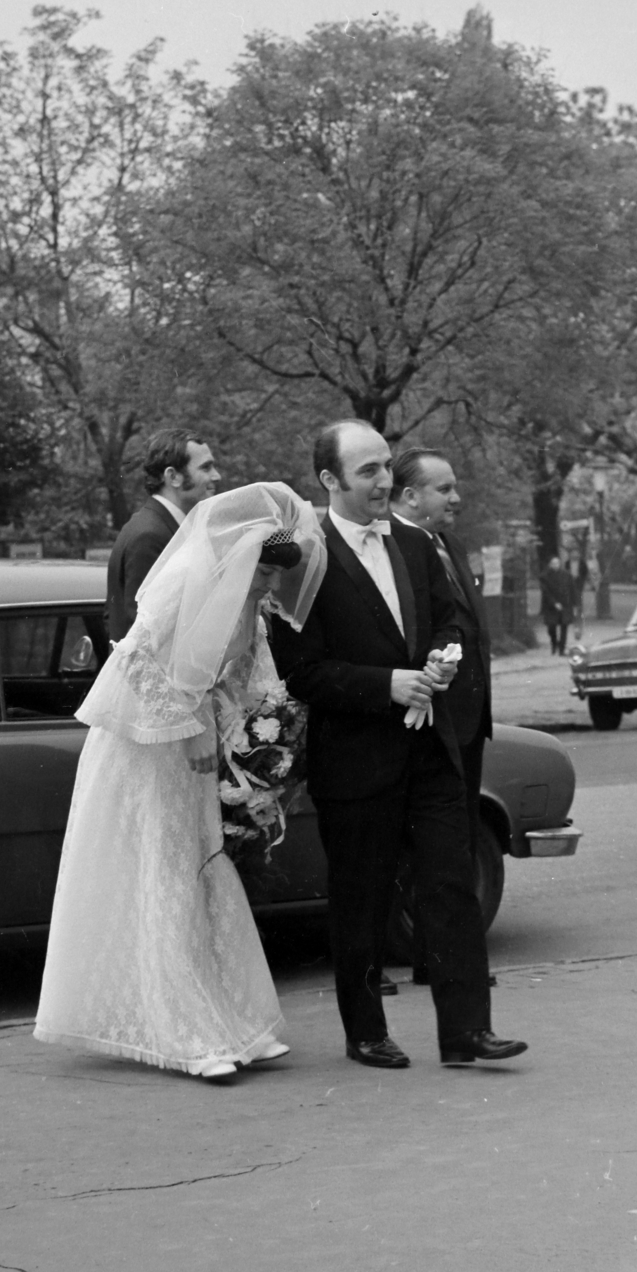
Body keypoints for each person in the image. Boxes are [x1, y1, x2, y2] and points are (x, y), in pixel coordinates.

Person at [35, 483, 325, 1080]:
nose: (271, 586)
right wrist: (187, 729)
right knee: (166, 874)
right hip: (144, 748)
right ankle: (187, 1034)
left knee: (202, 869)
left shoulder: (250, 609)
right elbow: (134, 657)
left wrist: (252, 738)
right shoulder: (184, 583)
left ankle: (236, 1020)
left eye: (275, 576)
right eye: (265, 572)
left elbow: (239, 680)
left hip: (195, 753)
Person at [269, 420, 525, 1070]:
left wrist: (440, 662)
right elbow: (302, 670)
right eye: (368, 472)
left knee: (448, 884)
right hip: (356, 760)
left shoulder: (415, 544)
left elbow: (449, 622)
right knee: (362, 897)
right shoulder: (306, 557)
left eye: (386, 466)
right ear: (329, 480)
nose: (385, 481)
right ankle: (365, 1031)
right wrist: (389, 685)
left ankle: (467, 1031)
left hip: (430, 749)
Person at [391, 448, 494, 988]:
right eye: (444, 489)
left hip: (469, 719)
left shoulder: (448, 543)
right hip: (431, 721)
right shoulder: (394, 549)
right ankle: (431, 955)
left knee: (460, 840)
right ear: (410, 496)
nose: (456, 499)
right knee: (429, 846)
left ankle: (441, 957)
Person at [105, 428, 222, 644]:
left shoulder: (166, 527)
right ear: (173, 477)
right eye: (206, 467)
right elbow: (144, 634)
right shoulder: (149, 536)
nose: (216, 475)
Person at [539, 555, 574, 655]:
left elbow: (572, 589)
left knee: (564, 626)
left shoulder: (566, 575)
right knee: (551, 627)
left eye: (557, 563)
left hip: (565, 604)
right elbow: (546, 592)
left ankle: (562, 649)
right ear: (550, 565)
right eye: (553, 563)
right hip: (551, 606)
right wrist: (554, 603)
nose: (555, 565)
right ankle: (554, 643)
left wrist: (574, 604)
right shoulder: (544, 576)